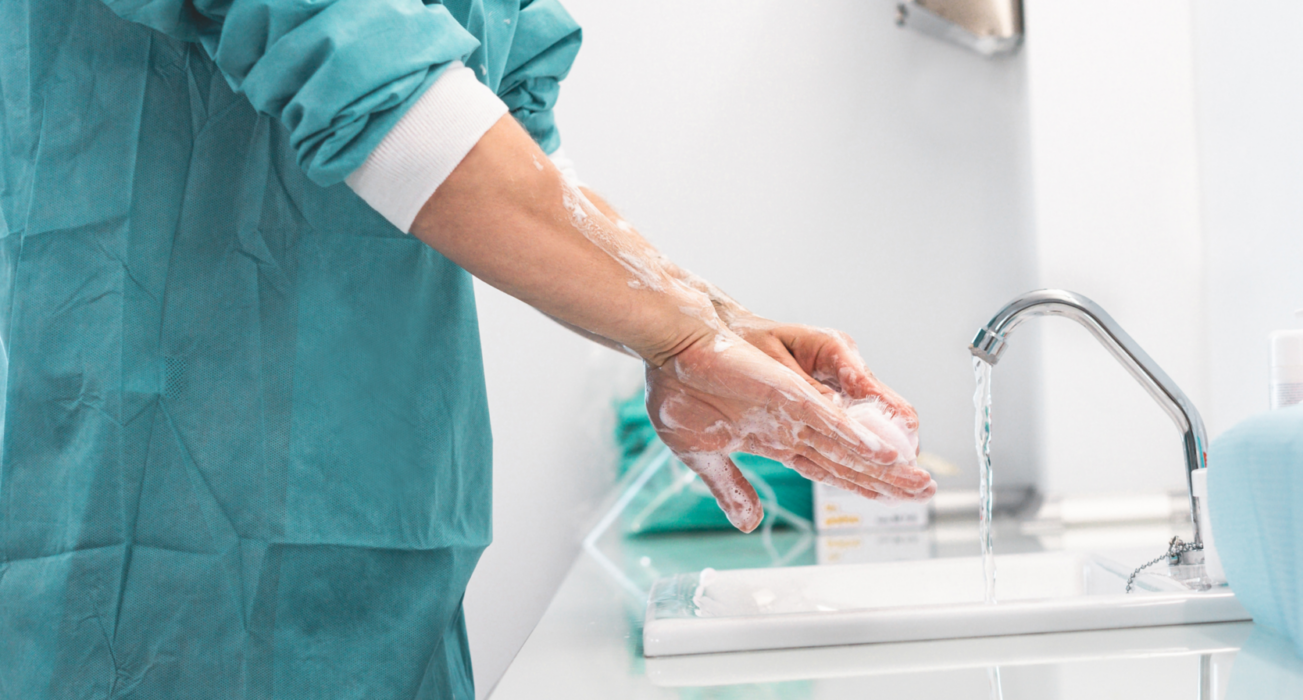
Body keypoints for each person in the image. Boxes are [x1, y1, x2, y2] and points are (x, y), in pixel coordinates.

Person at [0, 0, 935, 697]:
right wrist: (680, 333)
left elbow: (501, 143)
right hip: (159, 523)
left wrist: (705, 323)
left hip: (382, 541)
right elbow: (370, 74)